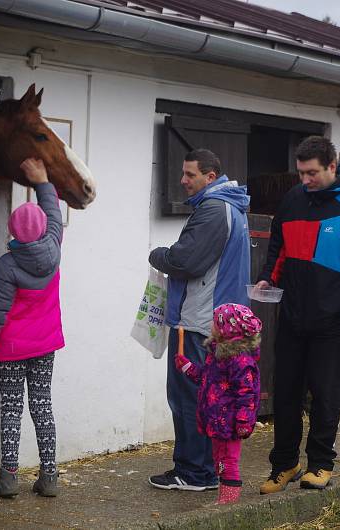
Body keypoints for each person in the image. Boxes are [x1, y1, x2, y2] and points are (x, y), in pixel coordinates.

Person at [256, 136, 340, 492]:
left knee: (325, 395)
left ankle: (321, 464)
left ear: (332, 166)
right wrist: (269, 278)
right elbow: (277, 245)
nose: (305, 180)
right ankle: (284, 464)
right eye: (301, 173)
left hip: (334, 321)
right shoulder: (293, 199)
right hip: (292, 317)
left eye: (312, 173)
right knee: (284, 394)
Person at [148, 149, 251, 491]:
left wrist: (158, 254)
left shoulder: (212, 209)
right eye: (183, 173)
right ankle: (206, 469)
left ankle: (194, 472)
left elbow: (186, 260)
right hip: (218, 320)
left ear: (210, 177)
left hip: (199, 322)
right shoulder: (230, 207)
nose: (182, 180)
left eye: (190, 174)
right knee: (209, 397)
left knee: (188, 398)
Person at [0, 158, 64, 498]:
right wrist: (42, 181)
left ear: (12, 231)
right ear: (44, 230)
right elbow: (53, 213)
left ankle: (9, 478)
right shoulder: (53, 248)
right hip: (45, 346)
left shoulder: (8, 265)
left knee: (11, 408)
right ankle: (49, 477)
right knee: (42, 406)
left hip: (11, 349)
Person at [174, 304, 262, 505]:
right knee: (219, 460)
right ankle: (223, 498)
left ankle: (228, 503)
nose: (210, 325)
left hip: (230, 422)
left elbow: (247, 394)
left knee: (228, 461)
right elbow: (206, 378)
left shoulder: (240, 361)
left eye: (215, 322)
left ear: (227, 329)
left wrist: (243, 422)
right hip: (216, 420)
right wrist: (187, 366)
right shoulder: (217, 354)